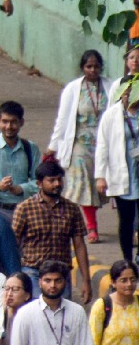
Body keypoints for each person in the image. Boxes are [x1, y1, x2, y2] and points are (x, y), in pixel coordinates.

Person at [49, 50, 109, 243]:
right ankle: (91, 227)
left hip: (104, 143)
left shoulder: (110, 86)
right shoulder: (73, 89)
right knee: (84, 184)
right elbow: (63, 119)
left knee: (102, 185)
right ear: (82, 68)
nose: (92, 70)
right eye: (88, 66)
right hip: (79, 143)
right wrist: (53, 147)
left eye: (96, 66)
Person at [12, 161, 92, 302]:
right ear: (39, 184)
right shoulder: (24, 208)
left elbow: (79, 245)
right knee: (39, 313)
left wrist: (86, 280)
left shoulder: (72, 209)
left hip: (62, 272)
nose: (57, 184)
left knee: (62, 315)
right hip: (34, 272)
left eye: (59, 179)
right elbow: (14, 243)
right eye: (51, 180)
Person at [96, 89, 139, 260]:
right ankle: (127, 259)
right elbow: (102, 146)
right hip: (123, 173)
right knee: (126, 220)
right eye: (127, 93)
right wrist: (100, 176)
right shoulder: (111, 115)